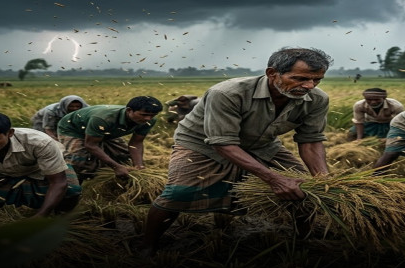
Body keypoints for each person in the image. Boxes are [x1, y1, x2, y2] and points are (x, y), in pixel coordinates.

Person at [142, 47, 333, 253]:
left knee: (305, 190)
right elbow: (223, 143)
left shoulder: (317, 99)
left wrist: (324, 181)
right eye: (300, 78)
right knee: (179, 193)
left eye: (316, 80)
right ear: (272, 73)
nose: (309, 86)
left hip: (261, 144)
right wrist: (275, 179)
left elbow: (311, 141)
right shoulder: (228, 93)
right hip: (203, 143)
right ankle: (148, 245)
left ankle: (304, 240)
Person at [57, 96, 163, 182]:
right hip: (74, 130)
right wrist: (116, 167)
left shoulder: (148, 120)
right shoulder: (104, 118)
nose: (147, 119)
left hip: (106, 131)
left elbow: (136, 143)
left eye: (152, 115)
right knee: (80, 161)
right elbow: (91, 145)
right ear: (129, 110)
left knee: (124, 156)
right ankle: (74, 186)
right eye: (144, 115)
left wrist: (138, 165)